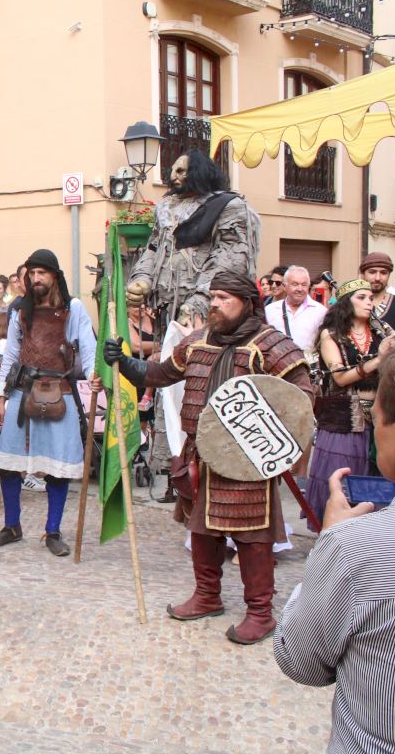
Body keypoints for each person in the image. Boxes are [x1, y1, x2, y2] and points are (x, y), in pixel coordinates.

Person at [104, 273, 313, 644]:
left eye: (224, 297)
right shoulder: (197, 342)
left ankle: (260, 613)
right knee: (202, 531)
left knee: (253, 537)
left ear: (248, 303)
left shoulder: (271, 344)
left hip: (248, 462)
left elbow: (301, 400)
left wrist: (274, 443)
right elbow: (160, 374)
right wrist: (124, 361)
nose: (215, 303)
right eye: (213, 296)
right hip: (201, 457)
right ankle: (207, 596)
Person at [274, 344, 395, 754]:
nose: (374, 430)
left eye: (375, 418)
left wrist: (331, 543)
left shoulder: (355, 548)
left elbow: (301, 660)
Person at [126, 150, 260, 478]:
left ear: (200, 172)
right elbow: (154, 249)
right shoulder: (165, 209)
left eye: (183, 171)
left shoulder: (228, 207)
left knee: (207, 381)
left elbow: (230, 258)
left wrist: (202, 299)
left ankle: (211, 458)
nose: (174, 176)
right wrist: (142, 278)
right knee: (171, 379)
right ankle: (173, 462)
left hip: (211, 317)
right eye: (173, 170)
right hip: (169, 313)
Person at [0, 250, 99, 557]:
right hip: (22, 392)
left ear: (54, 276)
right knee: (8, 465)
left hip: (60, 392)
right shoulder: (20, 310)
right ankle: (12, 526)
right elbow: (11, 355)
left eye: (42, 273)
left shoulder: (73, 308)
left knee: (58, 469)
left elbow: (88, 350)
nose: (36, 278)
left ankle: (53, 531)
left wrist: (94, 376)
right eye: (32, 273)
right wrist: (1, 398)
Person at [304, 279, 386, 531]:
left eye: (370, 298)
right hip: (343, 417)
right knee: (342, 475)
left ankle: (367, 535)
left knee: (374, 477)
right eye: (361, 297)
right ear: (345, 303)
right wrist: (380, 359)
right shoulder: (331, 335)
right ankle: (333, 533)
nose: (369, 302)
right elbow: (340, 377)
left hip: (378, 416)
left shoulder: (380, 333)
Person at [265, 265, 327, 359]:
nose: (300, 289)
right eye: (295, 284)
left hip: (308, 366)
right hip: (276, 365)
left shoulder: (321, 311)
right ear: (285, 286)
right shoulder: (270, 310)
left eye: (304, 285)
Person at [359, 251, 395, 331]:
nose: (377, 278)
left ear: (389, 275)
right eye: (372, 272)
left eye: (383, 273)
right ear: (363, 274)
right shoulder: (349, 304)